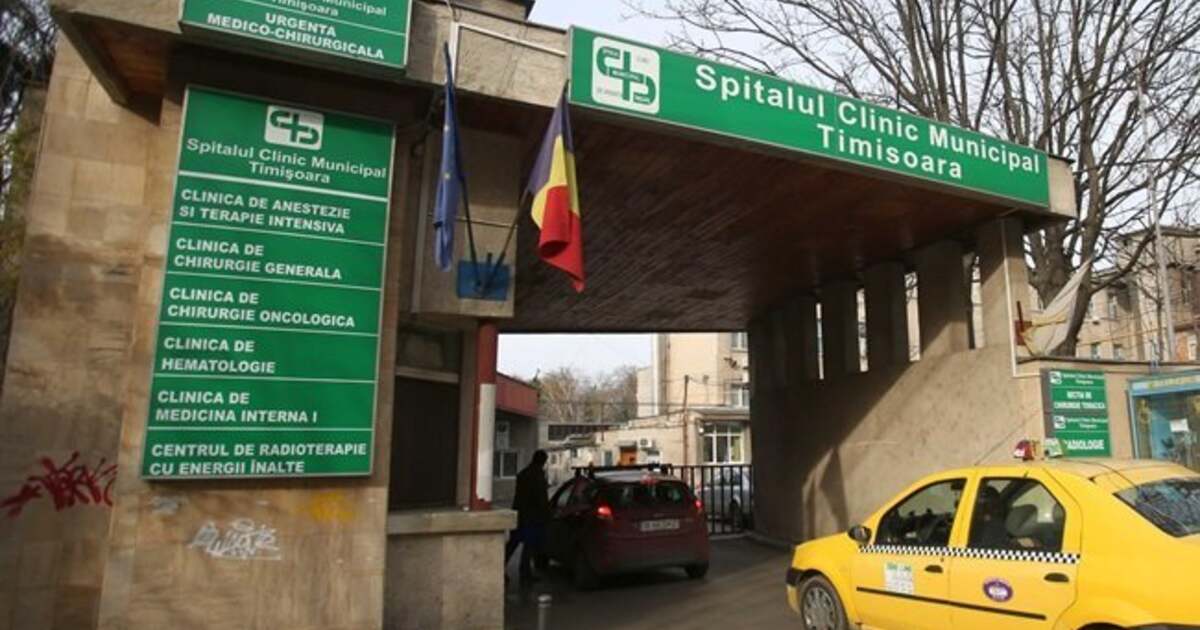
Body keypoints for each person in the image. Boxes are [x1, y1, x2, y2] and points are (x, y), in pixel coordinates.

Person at [505, 450, 550, 582]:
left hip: (520, 514)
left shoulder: (524, 473)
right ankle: (525, 574)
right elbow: (541, 499)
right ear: (542, 461)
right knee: (529, 546)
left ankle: (498, 567)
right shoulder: (537, 476)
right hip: (532, 517)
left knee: (513, 543)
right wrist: (547, 514)